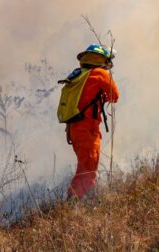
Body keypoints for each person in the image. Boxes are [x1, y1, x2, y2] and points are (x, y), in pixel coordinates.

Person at [66, 44, 119, 200]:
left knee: (84, 167)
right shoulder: (100, 74)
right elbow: (114, 96)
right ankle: (71, 206)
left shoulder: (78, 75)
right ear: (102, 59)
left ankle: (88, 201)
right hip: (87, 130)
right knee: (87, 170)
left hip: (74, 129)